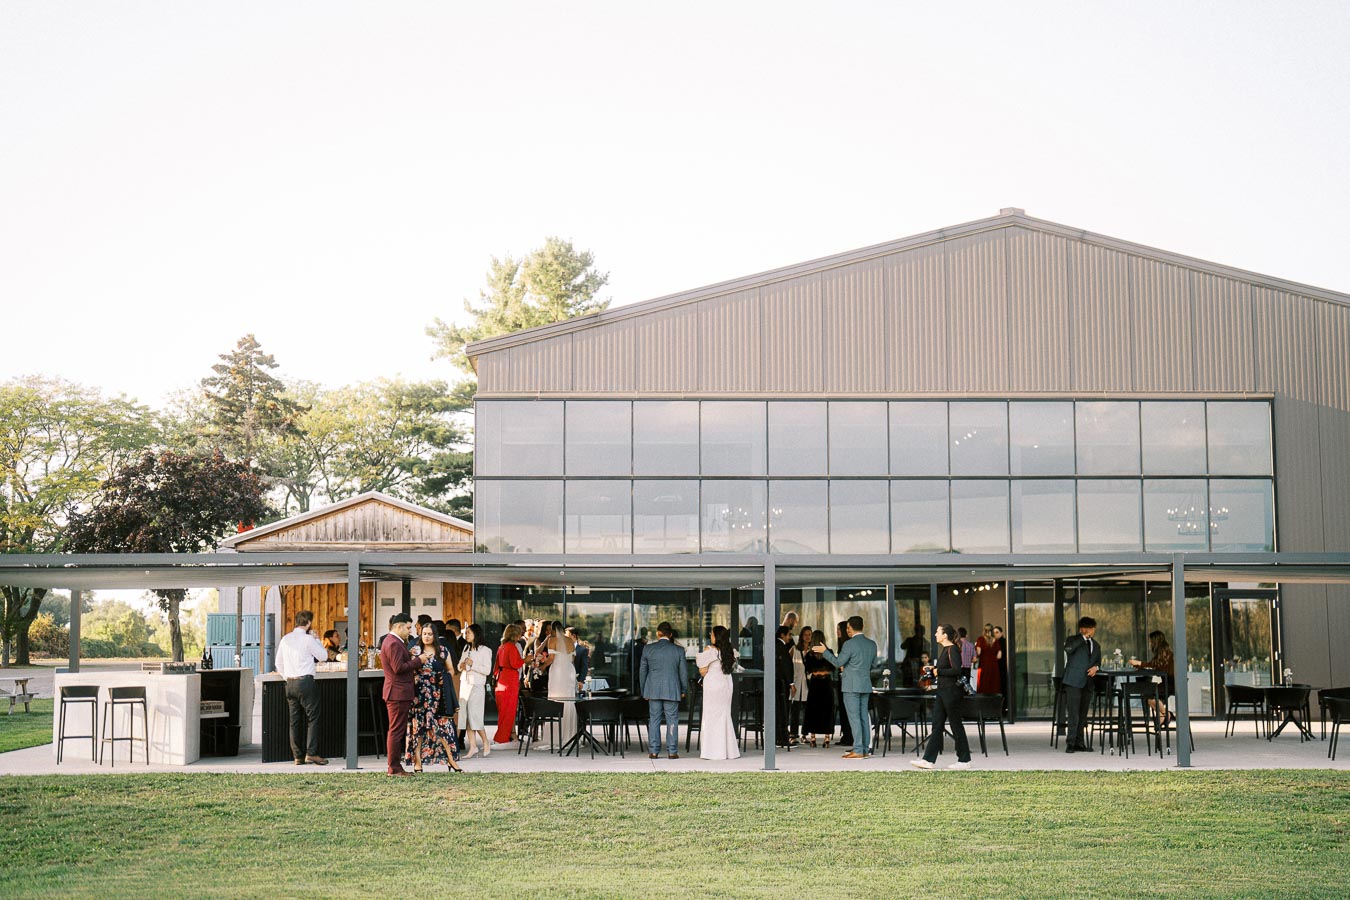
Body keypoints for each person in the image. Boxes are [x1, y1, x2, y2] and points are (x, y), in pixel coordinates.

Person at [812, 615, 877, 759]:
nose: (847, 630)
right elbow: (873, 665)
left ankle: (859, 749)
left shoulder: (849, 644)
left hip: (850, 686)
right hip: (865, 685)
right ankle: (865, 749)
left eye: (847, 627)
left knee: (854, 718)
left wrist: (825, 652)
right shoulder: (872, 644)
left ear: (849, 628)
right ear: (862, 626)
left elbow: (837, 662)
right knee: (863, 718)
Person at [911, 624, 973, 770]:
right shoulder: (946, 650)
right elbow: (945, 670)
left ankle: (964, 760)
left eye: (938, 632)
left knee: (955, 725)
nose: (935, 634)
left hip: (951, 693)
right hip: (942, 692)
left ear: (945, 635)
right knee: (937, 725)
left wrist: (939, 671)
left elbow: (957, 670)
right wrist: (933, 670)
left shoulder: (952, 649)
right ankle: (928, 760)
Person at [406, 622, 463, 773]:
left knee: (443, 728)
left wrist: (445, 677)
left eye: (430, 634)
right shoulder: (415, 651)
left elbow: (451, 670)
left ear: (435, 635)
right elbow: (408, 669)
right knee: (419, 729)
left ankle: (451, 761)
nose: (426, 636)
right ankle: (417, 761)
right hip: (419, 695)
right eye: (424, 633)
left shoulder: (443, 651)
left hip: (438, 695)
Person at [275, 610, 328, 765]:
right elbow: (323, 657)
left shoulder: (285, 639)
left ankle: (297, 756)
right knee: (313, 718)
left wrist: (287, 677)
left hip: (290, 683)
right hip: (305, 682)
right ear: (309, 623)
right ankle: (311, 753)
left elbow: (278, 663)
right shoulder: (308, 639)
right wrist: (317, 640)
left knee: (294, 721)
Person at [640, 621, 688, 759]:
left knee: (654, 719)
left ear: (657, 633)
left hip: (653, 689)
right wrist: (684, 689)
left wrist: (644, 690)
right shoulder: (678, 650)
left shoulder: (648, 649)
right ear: (670, 634)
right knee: (672, 720)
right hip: (672, 689)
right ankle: (672, 751)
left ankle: (654, 751)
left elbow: (642, 672)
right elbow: (683, 673)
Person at [380, 612, 418, 776]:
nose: (410, 631)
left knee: (396, 730)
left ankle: (394, 766)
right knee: (396, 731)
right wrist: (418, 661)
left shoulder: (392, 641)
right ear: (399, 626)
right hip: (398, 692)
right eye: (408, 627)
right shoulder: (394, 643)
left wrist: (409, 656)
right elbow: (398, 668)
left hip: (396, 692)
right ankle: (394, 767)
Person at [696, 625, 740, 760]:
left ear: (716, 636)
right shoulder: (730, 651)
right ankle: (728, 751)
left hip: (713, 684)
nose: (710, 636)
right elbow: (732, 668)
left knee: (711, 716)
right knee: (724, 715)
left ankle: (712, 751)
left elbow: (702, 671)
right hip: (726, 684)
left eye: (712, 634)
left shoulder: (709, 650)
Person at [1062, 616, 1102, 753]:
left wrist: (1096, 667)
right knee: (1073, 713)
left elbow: (1098, 661)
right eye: (1091, 628)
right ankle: (1070, 743)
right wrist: (1083, 637)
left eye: (1093, 629)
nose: (1093, 631)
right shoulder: (1073, 640)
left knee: (1083, 714)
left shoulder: (1096, 645)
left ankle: (1080, 742)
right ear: (1083, 629)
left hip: (1088, 683)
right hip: (1073, 681)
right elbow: (1068, 649)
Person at [538, 620, 578, 747]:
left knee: (556, 700)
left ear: (554, 630)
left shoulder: (552, 640)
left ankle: (555, 736)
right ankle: (569, 734)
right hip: (569, 671)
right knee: (569, 701)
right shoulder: (570, 641)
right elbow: (572, 658)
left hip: (558, 672)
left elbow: (551, 659)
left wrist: (542, 667)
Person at [457, 624, 493, 758]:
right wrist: (461, 666)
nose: (466, 635)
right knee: (465, 716)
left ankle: (485, 742)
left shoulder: (485, 650)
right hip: (465, 683)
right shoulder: (466, 648)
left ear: (476, 634)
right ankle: (473, 746)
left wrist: (473, 664)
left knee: (475, 716)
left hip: (477, 685)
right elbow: (460, 664)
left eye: (468, 633)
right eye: (466, 633)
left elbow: (487, 670)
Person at [1130, 630, 1176, 724]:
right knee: (1149, 697)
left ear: (1156, 641)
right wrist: (1141, 665)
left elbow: (1156, 665)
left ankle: (1165, 715)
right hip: (1167, 682)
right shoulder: (1163, 652)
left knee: (1149, 694)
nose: (1150, 643)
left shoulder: (1164, 652)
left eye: (1151, 641)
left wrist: (1140, 663)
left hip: (1172, 683)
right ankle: (1165, 715)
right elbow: (1156, 666)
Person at [493, 623, 525, 746]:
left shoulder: (501, 647)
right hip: (510, 679)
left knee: (503, 710)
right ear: (514, 635)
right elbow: (515, 663)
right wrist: (525, 660)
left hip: (501, 679)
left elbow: (496, 666)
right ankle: (503, 738)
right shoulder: (511, 647)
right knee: (509, 710)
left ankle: (501, 736)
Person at [802, 633, 836, 748]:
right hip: (826, 683)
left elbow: (807, 669)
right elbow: (833, 667)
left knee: (813, 709)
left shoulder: (809, 655)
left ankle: (813, 737)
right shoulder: (829, 652)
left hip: (815, 683)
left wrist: (816, 671)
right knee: (827, 708)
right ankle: (826, 738)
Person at [833, 621, 854, 749]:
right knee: (843, 709)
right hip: (841, 680)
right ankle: (846, 735)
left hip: (846, 680)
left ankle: (848, 736)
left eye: (839, 629)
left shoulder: (846, 645)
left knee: (846, 710)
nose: (837, 632)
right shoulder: (842, 644)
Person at [774, 625, 795, 748]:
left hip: (778, 683)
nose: (790, 637)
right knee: (782, 710)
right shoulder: (780, 646)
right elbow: (786, 666)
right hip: (781, 684)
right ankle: (782, 738)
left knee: (780, 710)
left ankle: (780, 737)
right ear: (783, 635)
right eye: (789, 635)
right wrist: (791, 683)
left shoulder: (777, 645)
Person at [789, 627, 811, 743]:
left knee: (807, 711)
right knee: (795, 710)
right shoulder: (795, 650)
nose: (807, 637)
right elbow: (788, 665)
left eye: (809, 635)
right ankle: (793, 734)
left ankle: (804, 734)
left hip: (808, 684)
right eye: (805, 634)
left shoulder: (813, 651)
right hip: (797, 683)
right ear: (802, 636)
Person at [975, 623, 1002, 696]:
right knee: (994, 685)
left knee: (983, 684)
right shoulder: (995, 640)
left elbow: (979, 652)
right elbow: (999, 656)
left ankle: (984, 703)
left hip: (984, 664)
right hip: (994, 665)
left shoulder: (980, 639)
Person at [625, 627, 649, 695]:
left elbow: (628, 661)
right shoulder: (645, 648)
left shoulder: (634, 647)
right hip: (639, 672)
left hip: (635, 671)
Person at [993, 625, 1010, 713]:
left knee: (1003, 687)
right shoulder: (996, 642)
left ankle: (1004, 707)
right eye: (994, 633)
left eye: (997, 632)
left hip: (1003, 668)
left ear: (1001, 633)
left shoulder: (1002, 642)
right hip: (999, 668)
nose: (995, 634)